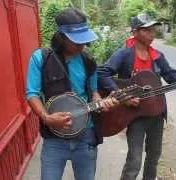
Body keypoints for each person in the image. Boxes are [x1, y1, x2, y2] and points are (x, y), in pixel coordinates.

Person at [97, 13, 176, 180]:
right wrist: (123, 95)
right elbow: (102, 73)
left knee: (153, 158)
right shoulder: (124, 54)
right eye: (147, 30)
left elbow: (172, 76)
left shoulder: (157, 56)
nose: (152, 33)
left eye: (153, 29)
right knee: (134, 160)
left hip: (156, 113)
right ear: (135, 32)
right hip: (135, 116)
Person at [26, 8, 118, 180]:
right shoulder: (41, 58)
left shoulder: (88, 60)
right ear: (61, 37)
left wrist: (101, 102)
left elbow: (93, 92)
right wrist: (47, 118)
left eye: (84, 41)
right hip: (54, 139)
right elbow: (32, 94)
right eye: (76, 42)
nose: (82, 46)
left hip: (86, 137)